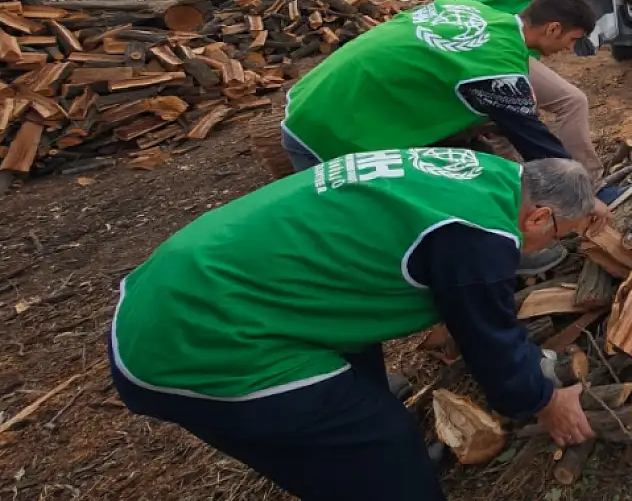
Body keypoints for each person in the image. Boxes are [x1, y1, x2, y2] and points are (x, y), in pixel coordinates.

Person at [109, 150, 606, 501]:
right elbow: (490, 341)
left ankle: (350, 481)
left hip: (188, 278)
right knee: (381, 437)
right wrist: (542, 400)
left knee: (356, 391)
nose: (550, 246)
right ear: (539, 216)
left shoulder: (490, 174)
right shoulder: (478, 236)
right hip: (199, 334)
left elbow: (466, 303)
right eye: (559, 234)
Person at [280, 0, 596, 174]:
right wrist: (583, 193)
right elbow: (540, 148)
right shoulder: (498, 68)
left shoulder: (478, 13)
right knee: (379, 232)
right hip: (329, 134)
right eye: (572, 40)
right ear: (552, 28)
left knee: (479, 157)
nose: (569, 49)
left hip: (314, 96)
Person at [458, 0, 623, 188]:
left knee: (500, 125)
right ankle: (589, 187)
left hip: (462, 30)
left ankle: (515, 192)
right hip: (496, 44)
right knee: (571, 102)